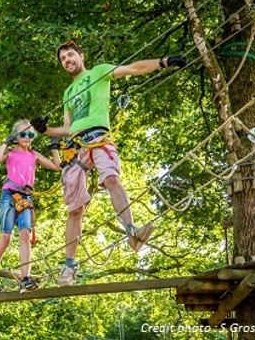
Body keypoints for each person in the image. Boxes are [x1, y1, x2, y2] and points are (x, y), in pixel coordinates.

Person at [31, 41, 187, 286]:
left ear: (81, 56)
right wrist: (46, 129)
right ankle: (69, 268)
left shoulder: (98, 72)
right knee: (75, 210)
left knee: (112, 179)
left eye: (70, 55)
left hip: (99, 138)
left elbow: (134, 68)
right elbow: (68, 127)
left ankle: (132, 233)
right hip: (76, 148)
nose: (67, 60)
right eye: (63, 58)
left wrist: (163, 62)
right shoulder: (67, 93)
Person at [0, 119, 61, 293]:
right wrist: (6, 143)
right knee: (6, 237)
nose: (27, 137)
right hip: (9, 194)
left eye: (30, 134)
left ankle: (25, 279)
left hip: (26, 197)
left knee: (25, 235)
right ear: (16, 136)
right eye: (23, 134)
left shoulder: (35, 154)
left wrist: (54, 148)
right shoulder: (10, 153)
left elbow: (57, 166)